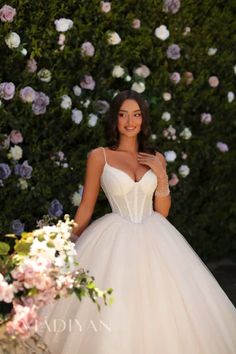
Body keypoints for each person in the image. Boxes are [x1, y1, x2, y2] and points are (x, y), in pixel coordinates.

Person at [38, 90, 236, 353]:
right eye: (123, 115)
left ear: (143, 120)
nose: (130, 122)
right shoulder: (100, 156)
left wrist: (161, 175)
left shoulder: (156, 158)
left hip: (156, 235)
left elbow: (162, 211)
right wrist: (67, 245)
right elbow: (86, 208)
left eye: (136, 115)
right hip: (113, 237)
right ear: (115, 120)